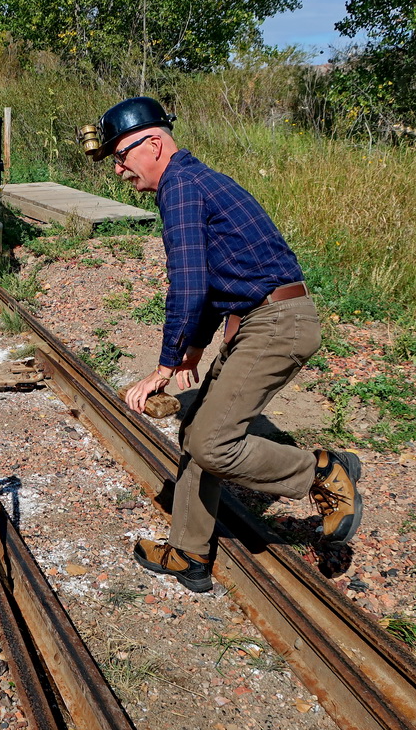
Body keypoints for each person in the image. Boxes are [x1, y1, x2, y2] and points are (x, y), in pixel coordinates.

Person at [89, 97, 363, 594]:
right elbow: (222, 275)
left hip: (276, 321)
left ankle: (321, 473)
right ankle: (189, 551)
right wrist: (194, 347)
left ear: (154, 144)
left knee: (213, 442)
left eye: (121, 153)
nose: (118, 166)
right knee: (198, 429)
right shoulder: (191, 182)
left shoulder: (180, 187)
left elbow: (189, 283)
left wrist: (166, 364)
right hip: (265, 316)